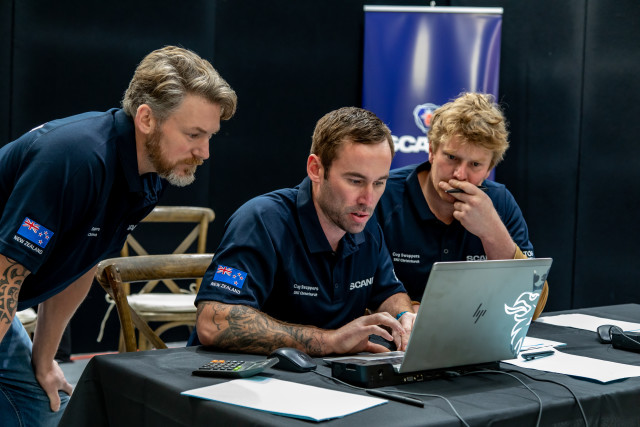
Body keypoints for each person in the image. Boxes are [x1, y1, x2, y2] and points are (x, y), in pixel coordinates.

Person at [0, 45, 237, 426]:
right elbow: (4, 276)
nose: (204, 152)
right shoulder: (76, 158)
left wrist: (43, 360)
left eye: (210, 136)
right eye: (193, 134)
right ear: (146, 118)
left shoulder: (151, 176)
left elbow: (80, 264)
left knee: (40, 405)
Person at [192, 107, 416, 356]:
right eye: (355, 181)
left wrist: (403, 317)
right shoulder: (261, 220)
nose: (368, 199)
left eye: (379, 182)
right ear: (316, 169)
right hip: (244, 374)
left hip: (328, 374)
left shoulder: (365, 222)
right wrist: (330, 341)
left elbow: (388, 291)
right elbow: (214, 322)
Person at [375, 92, 548, 319]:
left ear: (488, 170)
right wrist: (409, 312)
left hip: (477, 333)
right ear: (431, 151)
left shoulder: (500, 201)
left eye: (475, 164)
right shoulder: (383, 195)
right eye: (451, 157)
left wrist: (492, 232)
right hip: (399, 333)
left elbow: (531, 307)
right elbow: (359, 290)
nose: (459, 174)